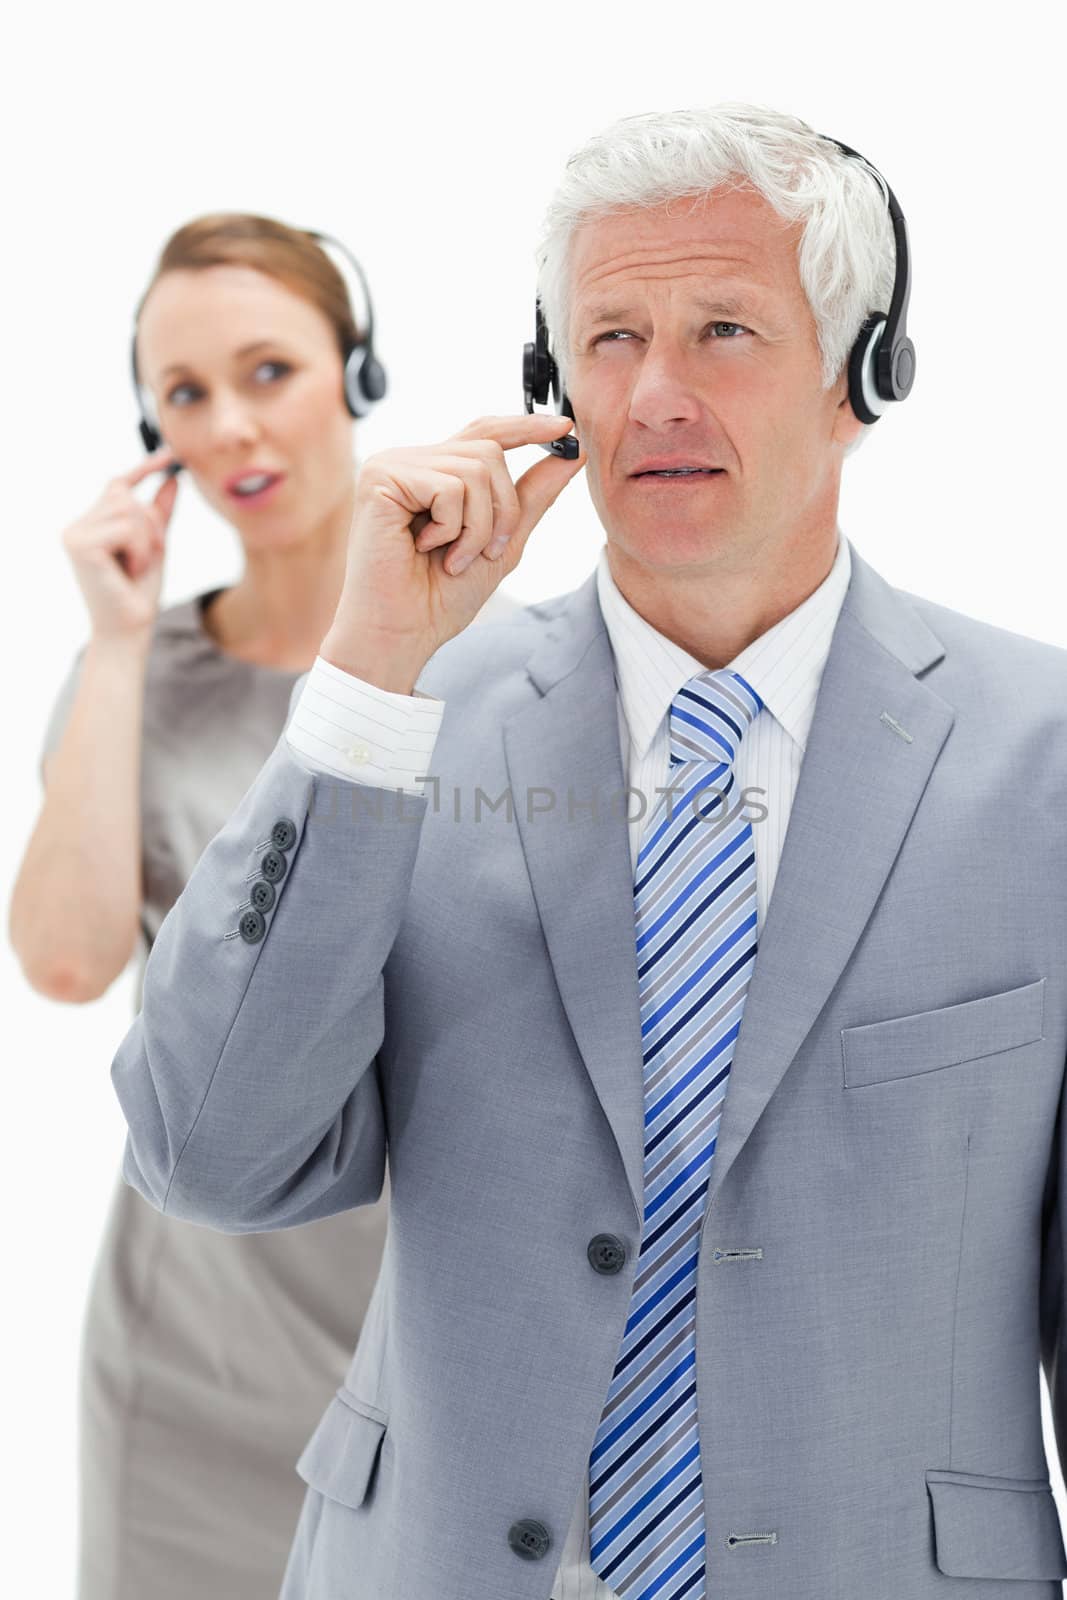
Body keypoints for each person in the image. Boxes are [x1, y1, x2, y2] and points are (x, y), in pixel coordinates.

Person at [103, 102, 1067, 1600]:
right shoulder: (409, 720)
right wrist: (362, 686)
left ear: (865, 377)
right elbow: (209, 1153)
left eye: (726, 329)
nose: (655, 395)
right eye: (610, 339)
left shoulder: (1043, 756)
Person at [8, 211, 516, 1598]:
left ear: (356, 375)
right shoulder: (141, 679)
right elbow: (61, 962)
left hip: (438, 1353)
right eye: (185, 395)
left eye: (268, 370)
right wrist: (118, 645)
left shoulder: (499, 665)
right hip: (187, 1368)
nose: (230, 425)